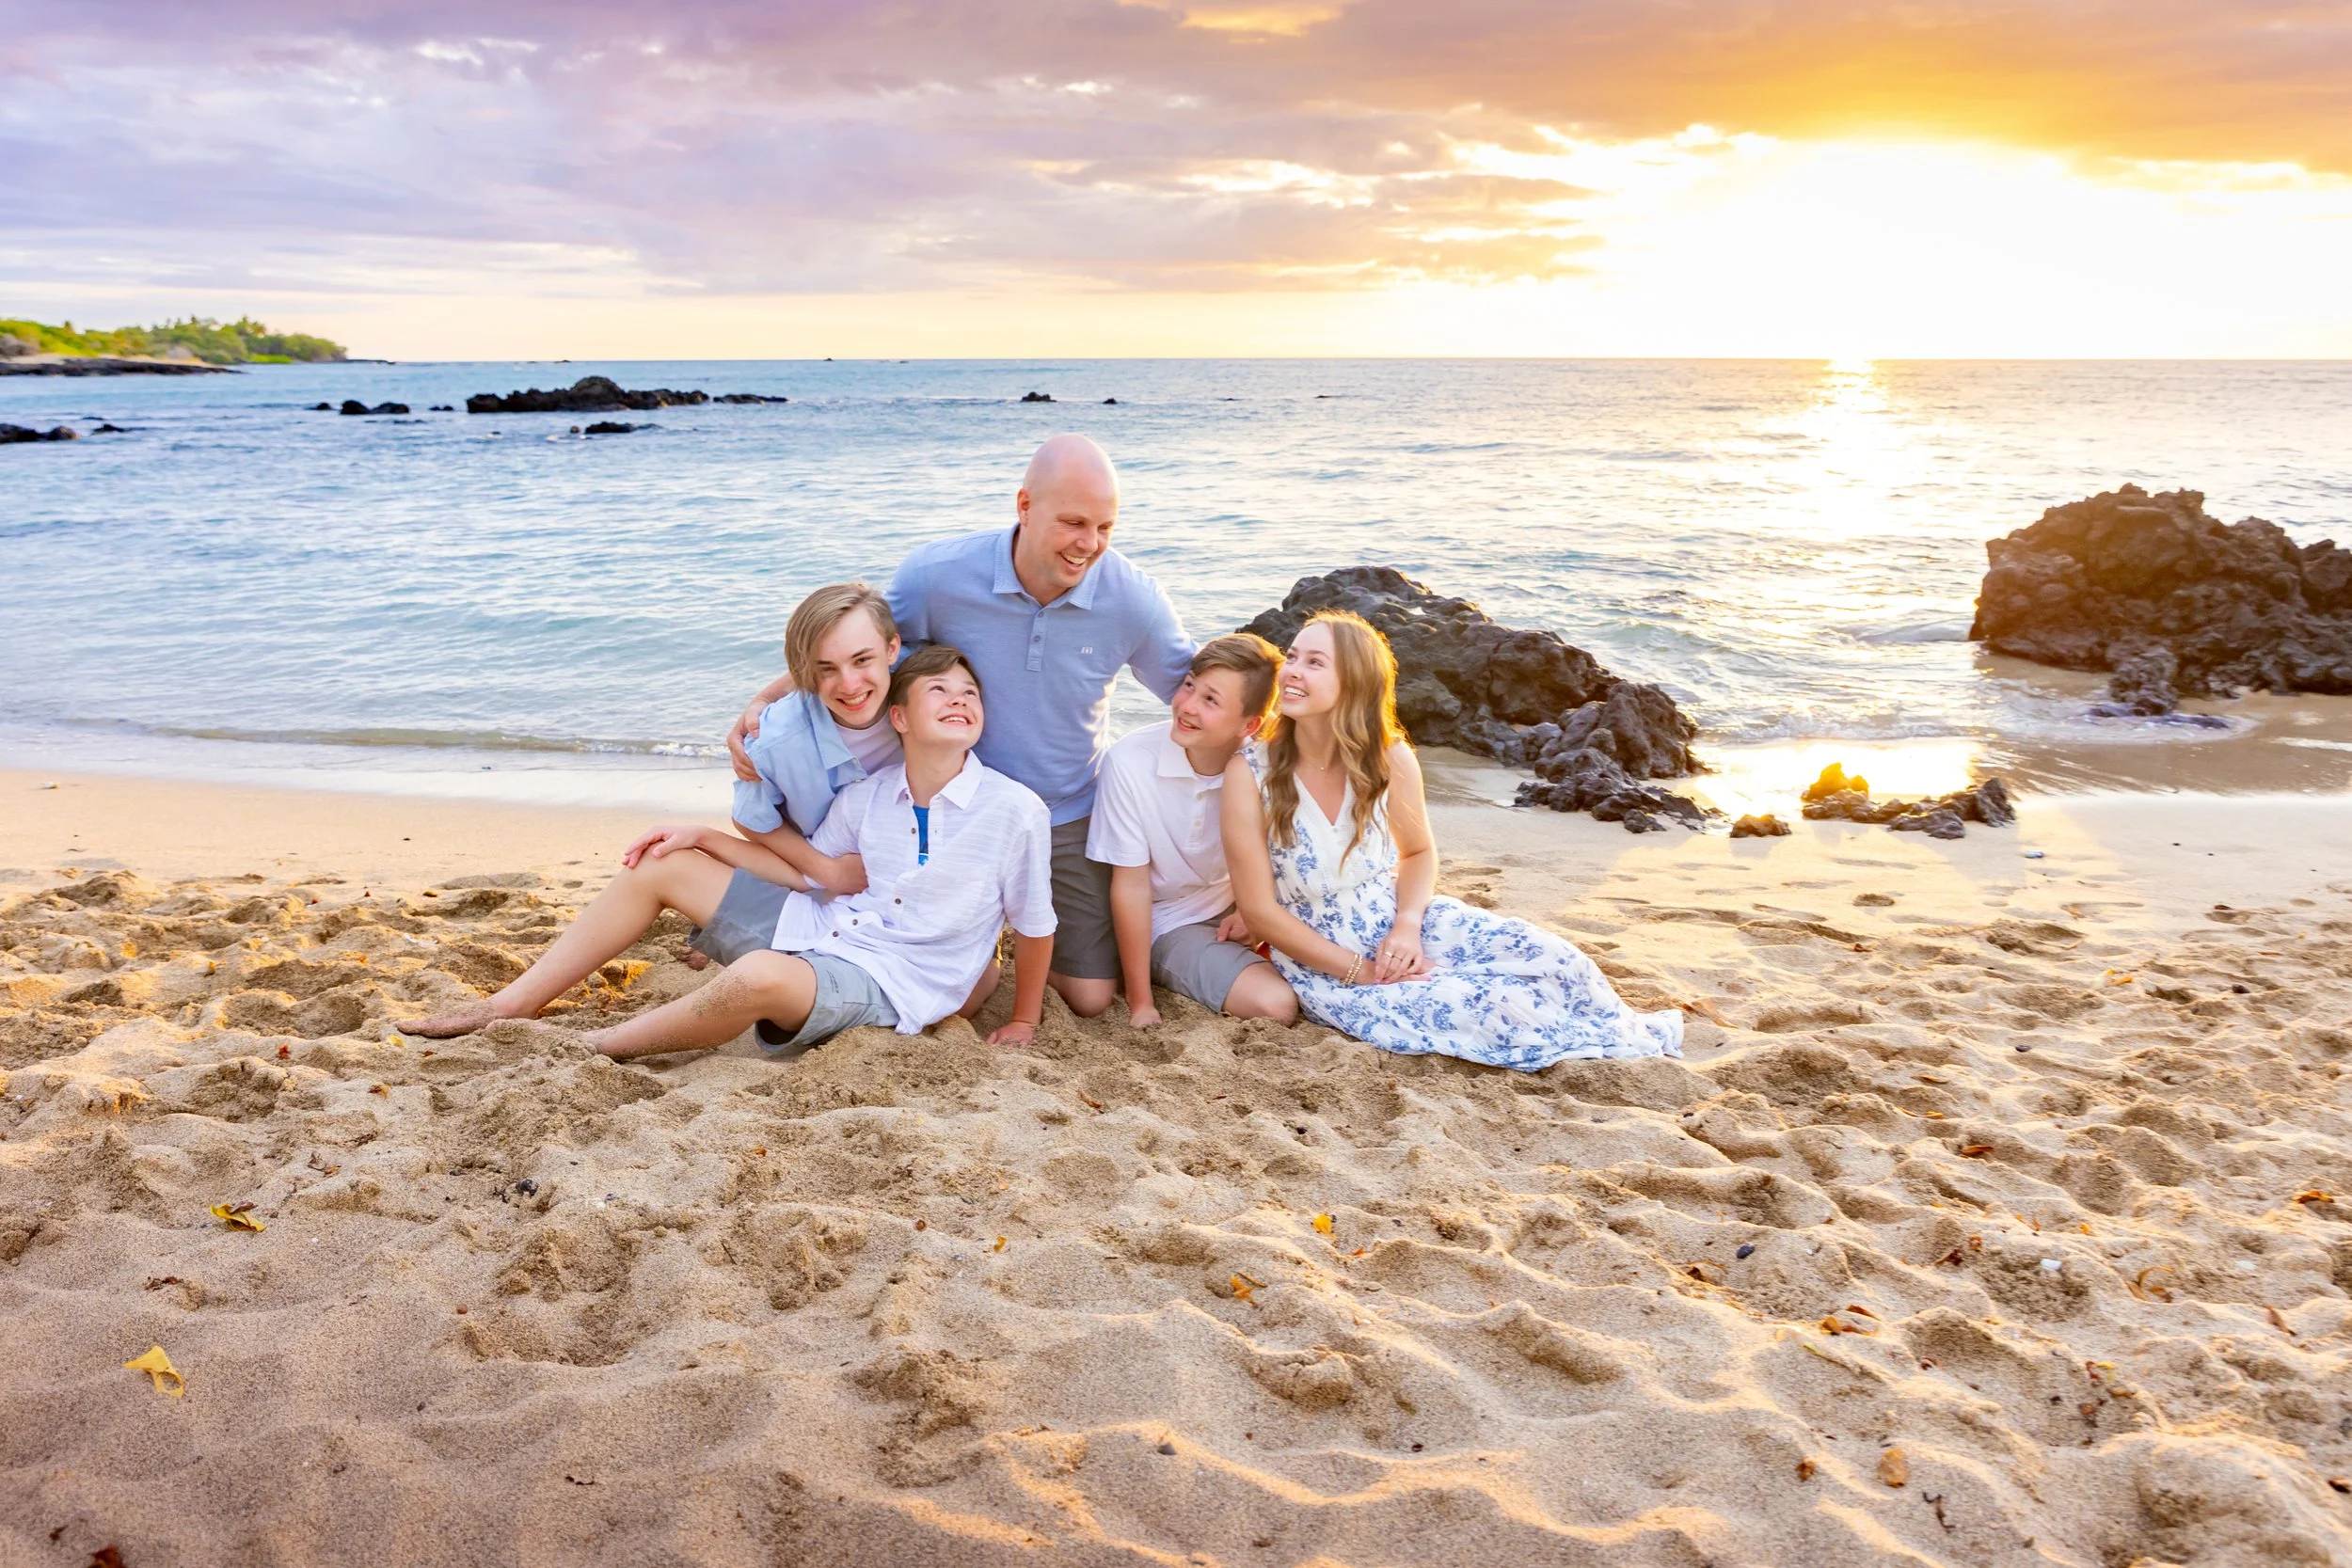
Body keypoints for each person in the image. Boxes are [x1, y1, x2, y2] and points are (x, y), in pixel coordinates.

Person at [729, 434, 1193, 1021]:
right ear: (1024, 506)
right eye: (1073, 523)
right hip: (949, 806)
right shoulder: (937, 575)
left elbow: (1199, 696)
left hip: (1063, 812)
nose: (1089, 545)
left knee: (1090, 997)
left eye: (1105, 527)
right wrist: (764, 702)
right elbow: (857, 649)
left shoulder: (1135, 601)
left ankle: (987, 934)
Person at [412, 644, 1057, 1057]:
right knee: (660, 861)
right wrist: (705, 839)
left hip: (894, 979)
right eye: (939, 691)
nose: (959, 700)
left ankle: (597, 1044)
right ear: (899, 718)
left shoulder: (1014, 810)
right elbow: (809, 877)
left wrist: (1025, 1018)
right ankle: (510, 1004)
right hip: (823, 927)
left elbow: (1033, 924)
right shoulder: (870, 796)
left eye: (969, 693)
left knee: (753, 977)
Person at [1219, 611, 1683, 1070]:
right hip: (1322, 955)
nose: (1293, 671)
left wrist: (1407, 925)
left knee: (1559, 959)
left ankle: (1620, 1034)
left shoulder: (1388, 756)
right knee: (1491, 1006)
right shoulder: (1251, 772)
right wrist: (1361, 971)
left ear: (1354, 681)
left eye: (1315, 662)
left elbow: (1418, 852)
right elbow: (1260, 911)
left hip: (1400, 918)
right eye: (1293, 657)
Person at [1087, 633, 1297, 1027]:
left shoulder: (1269, 763)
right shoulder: (1131, 762)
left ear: (1249, 724)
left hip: (1248, 909)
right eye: (1189, 686)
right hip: (1171, 920)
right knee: (1276, 1004)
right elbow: (1132, 886)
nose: (1186, 707)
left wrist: (1252, 913)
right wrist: (1140, 1002)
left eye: (1210, 700)